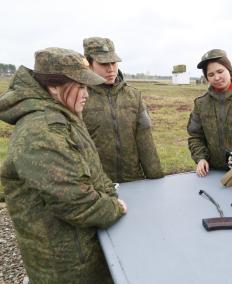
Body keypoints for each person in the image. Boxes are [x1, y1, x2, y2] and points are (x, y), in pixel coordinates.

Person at [0, 48, 127, 283]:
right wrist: (114, 208)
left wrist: (109, 192)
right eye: (79, 86)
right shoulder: (42, 130)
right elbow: (74, 202)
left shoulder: (62, 114)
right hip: (66, 265)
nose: (86, 93)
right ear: (53, 86)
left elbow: (89, 168)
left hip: (80, 248)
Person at [82, 37, 164, 182]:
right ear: (89, 64)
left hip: (133, 180)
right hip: (97, 186)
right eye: (103, 63)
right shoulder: (80, 97)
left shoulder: (133, 96)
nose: (111, 69)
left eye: (113, 63)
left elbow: (145, 141)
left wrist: (156, 180)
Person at [187, 49, 232, 176]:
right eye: (211, 75)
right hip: (212, 173)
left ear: (229, 70)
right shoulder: (201, 103)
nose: (216, 78)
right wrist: (201, 158)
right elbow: (195, 136)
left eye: (220, 71)